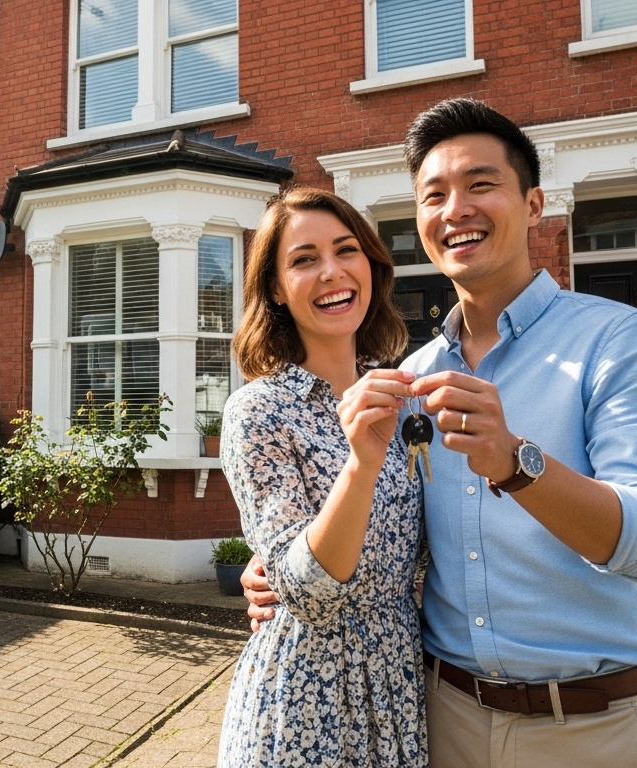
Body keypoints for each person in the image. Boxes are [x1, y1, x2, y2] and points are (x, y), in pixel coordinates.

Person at [242, 99, 637, 768]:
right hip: (439, 721)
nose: (456, 208)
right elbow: (396, 536)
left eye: (481, 184)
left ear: (535, 204)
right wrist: (277, 567)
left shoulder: (618, 343)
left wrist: (517, 463)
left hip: (591, 727)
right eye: (434, 195)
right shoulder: (413, 379)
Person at [216, 187, 426, 766]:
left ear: (371, 266)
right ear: (277, 290)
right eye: (304, 259)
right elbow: (305, 592)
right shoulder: (258, 410)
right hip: (307, 697)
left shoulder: (407, 399)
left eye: (346, 250)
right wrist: (361, 462)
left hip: (401, 685)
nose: (332, 272)